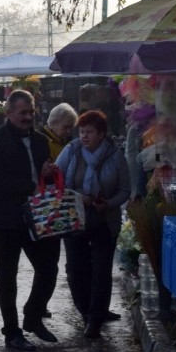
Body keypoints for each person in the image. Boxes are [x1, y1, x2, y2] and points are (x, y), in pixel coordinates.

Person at [0, 89, 60, 351]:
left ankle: (33, 315)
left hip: (38, 216)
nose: (28, 117)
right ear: (9, 114)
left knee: (49, 269)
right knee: (7, 277)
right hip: (8, 219)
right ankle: (12, 332)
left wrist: (47, 174)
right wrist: (31, 184)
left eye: (31, 111)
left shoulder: (40, 140)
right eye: (22, 113)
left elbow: (43, 175)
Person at [55, 110, 131, 339]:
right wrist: (79, 197)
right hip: (74, 217)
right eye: (81, 132)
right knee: (76, 269)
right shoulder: (71, 150)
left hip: (103, 220)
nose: (84, 136)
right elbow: (58, 180)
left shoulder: (115, 156)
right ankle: (85, 311)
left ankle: (95, 319)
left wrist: (108, 203)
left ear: (101, 134)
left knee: (100, 271)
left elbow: (125, 190)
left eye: (89, 132)